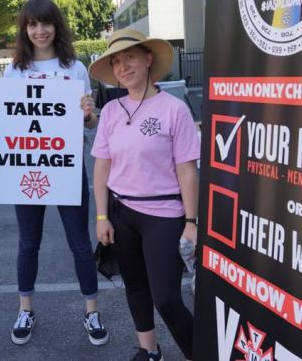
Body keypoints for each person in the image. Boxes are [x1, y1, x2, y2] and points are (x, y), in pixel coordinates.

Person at [0, 0, 108, 347]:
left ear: (57, 26)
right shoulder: (15, 70)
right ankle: (25, 309)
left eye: (46, 23)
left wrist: (88, 114)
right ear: (25, 29)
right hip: (26, 171)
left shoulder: (75, 68)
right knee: (28, 244)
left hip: (65, 169)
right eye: (32, 24)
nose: (39, 31)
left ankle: (91, 311)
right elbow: (3, 119)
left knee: (80, 244)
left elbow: (90, 123)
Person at [89, 29, 200, 361]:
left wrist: (191, 222)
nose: (124, 66)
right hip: (121, 213)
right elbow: (101, 168)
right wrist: (102, 216)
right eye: (117, 62)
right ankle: (149, 351)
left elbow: (187, 170)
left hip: (164, 214)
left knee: (166, 298)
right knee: (135, 287)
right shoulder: (110, 111)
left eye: (130, 57)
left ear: (148, 59)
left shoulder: (173, 109)